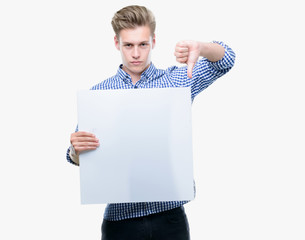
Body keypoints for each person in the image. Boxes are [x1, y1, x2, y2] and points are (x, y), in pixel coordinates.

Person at [66, 5, 235, 240]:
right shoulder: (100, 93)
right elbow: (74, 156)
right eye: (128, 45)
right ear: (117, 44)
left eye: (142, 44)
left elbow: (226, 60)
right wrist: (76, 150)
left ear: (153, 41)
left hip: (170, 218)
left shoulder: (177, 81)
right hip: (120, 222)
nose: (136, 54)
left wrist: (202, 48)